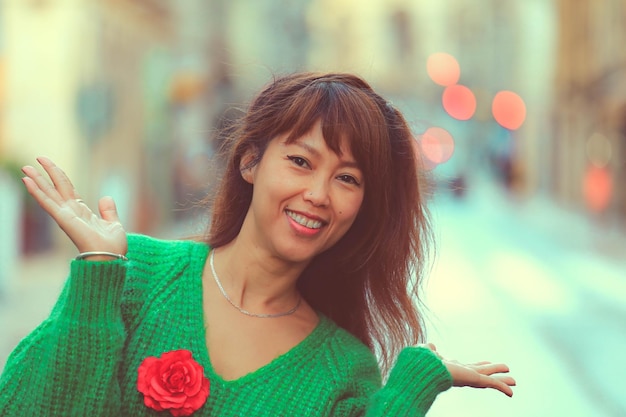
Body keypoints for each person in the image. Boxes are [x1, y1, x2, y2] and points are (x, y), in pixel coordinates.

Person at [0, 72, 514, 416]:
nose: (318, 195)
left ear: (362, 208)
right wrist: (97, 276)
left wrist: (410, 386)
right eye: (300, 161)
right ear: (250, 162)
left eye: (348, 179)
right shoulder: (130, 275)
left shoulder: (344, 369)